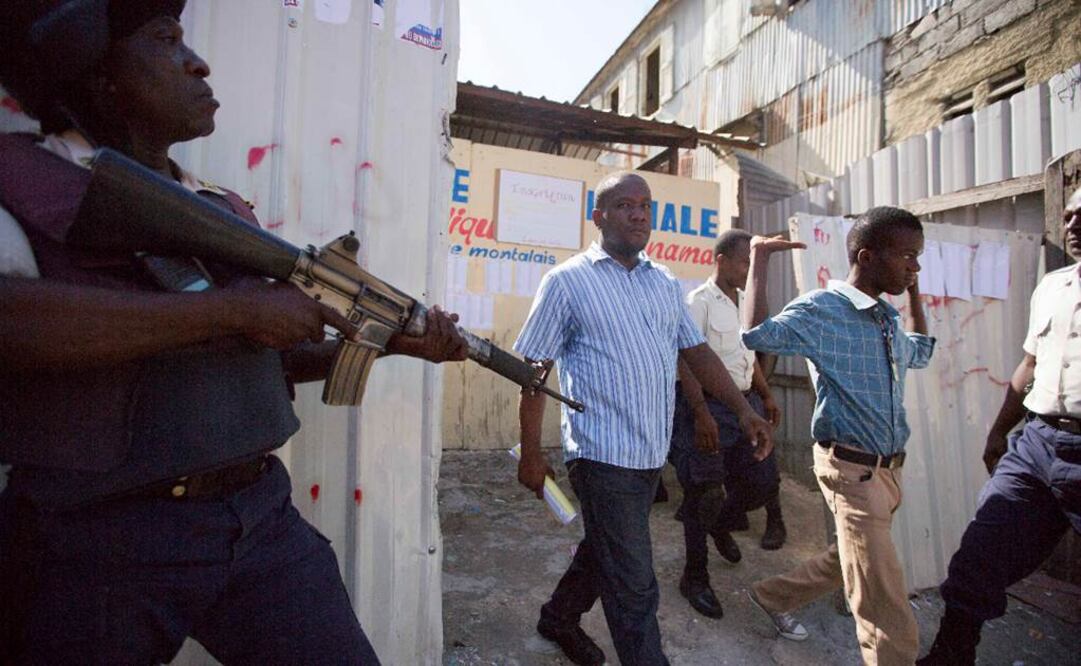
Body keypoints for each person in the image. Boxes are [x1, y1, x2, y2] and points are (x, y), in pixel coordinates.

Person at [0, 2, 467, 663]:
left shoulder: (221, 208)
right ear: (101, 78)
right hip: (96, 539)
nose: (198, 63)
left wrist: (389, 343)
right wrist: (232, 312)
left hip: (257, 519)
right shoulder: (28, 180)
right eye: (166, 40)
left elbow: (268, 353)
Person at [513, 172, 774, 666]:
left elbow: (696, 352)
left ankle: (558, 618)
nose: (638, 215)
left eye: (645, 206)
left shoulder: (663, 282)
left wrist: (744, 411)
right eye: (624, 205)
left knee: (608, 548)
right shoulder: (567, 282)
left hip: (652, 452)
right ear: (599, 216)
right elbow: (534, 373)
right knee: (635, 585)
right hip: (602, 455)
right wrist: (530, 453)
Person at [742, 207, 935, 666]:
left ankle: (772, 595)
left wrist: (913, 291)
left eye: (918, 257)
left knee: (854, 558)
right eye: (906, 256)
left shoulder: (885, 318)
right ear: (867, 257)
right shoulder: (822, 310)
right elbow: (755, 336)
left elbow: (921, 353)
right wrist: (759, 261)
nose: (914, 265)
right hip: (851, 470)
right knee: (883, 601)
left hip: (887, 472)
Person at [917, 187, 1081, 665]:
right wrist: (997, 431)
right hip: (1037, 443)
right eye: (1069, 215)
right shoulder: (1053, 286)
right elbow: (1029, 365)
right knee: (979, 554)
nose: (1072, 224)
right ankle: (950, 657)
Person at [669, 228, 795, 620]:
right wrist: (700, 413)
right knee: (703, 492)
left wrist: (766, 395)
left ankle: (718, 525)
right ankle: (695, 576)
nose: (746, 270)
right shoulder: (699, 302)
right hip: (707, 406)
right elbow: (687, 358)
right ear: (721, 261)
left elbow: (747, 356)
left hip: (745, 403)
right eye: (743, 263)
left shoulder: (743, 303)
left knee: (762, 482)